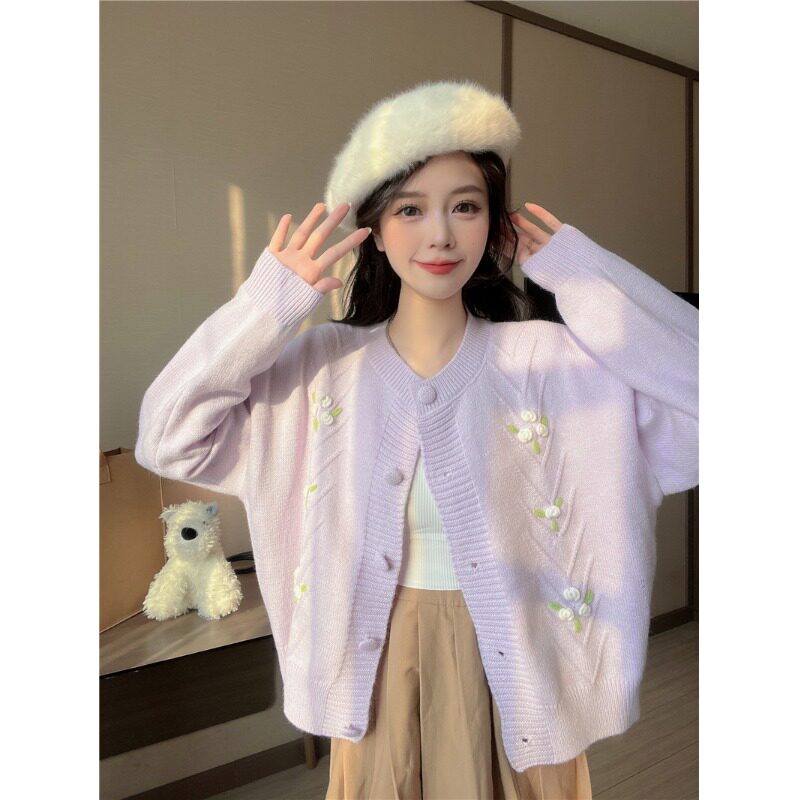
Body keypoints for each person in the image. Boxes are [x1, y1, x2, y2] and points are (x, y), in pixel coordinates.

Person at [135, 80, 698, 799]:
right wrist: (267, 305)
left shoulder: (548, 362)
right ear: (374, 228)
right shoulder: (320, 369)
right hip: (373, 667)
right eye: (410, 209)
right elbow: (168, 436)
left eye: (465, 206)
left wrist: (586, 278)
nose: (440, 236)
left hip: (529, 665)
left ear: (494, 225)